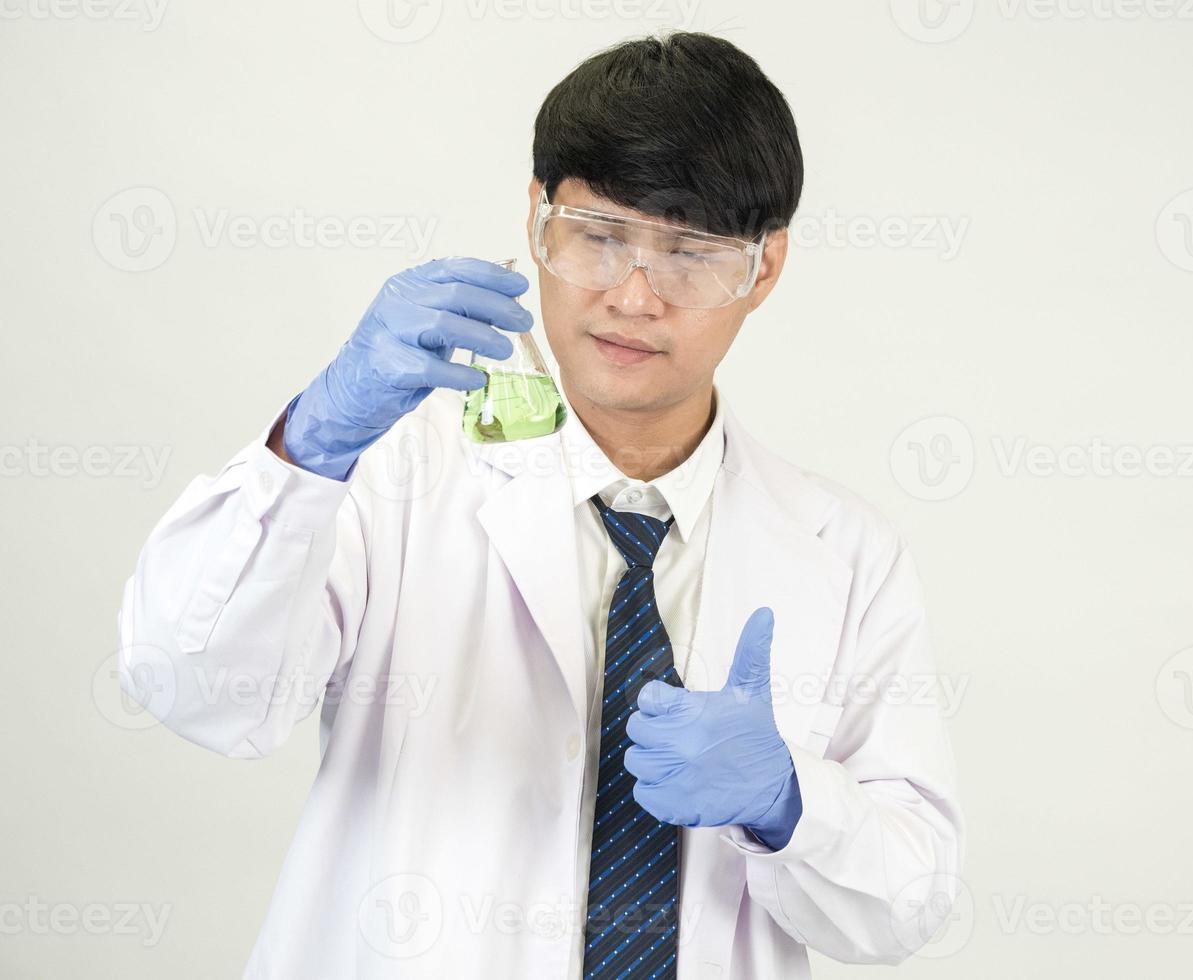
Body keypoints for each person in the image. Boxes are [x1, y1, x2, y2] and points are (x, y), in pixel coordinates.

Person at [117, 30, 963, 980]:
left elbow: (904, 906)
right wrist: (310, 445)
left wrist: (786, 801)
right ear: (538, 222)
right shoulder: (391, 476)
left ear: (763, 269)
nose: (635, 296)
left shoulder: (845, 553)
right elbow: (191, 689)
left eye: (690, 252)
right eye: (599, 237)